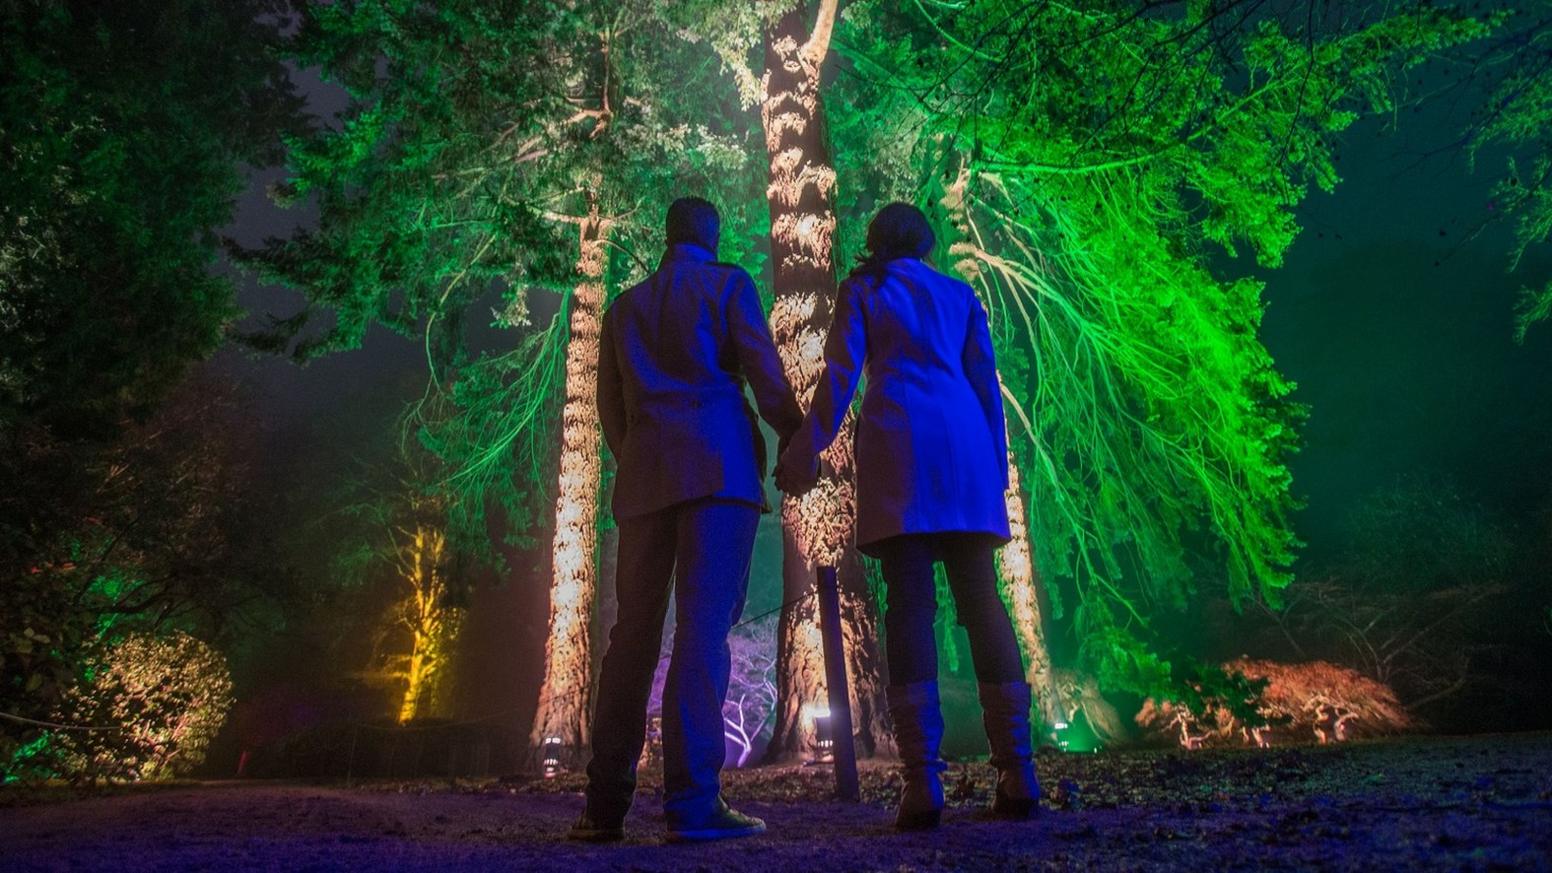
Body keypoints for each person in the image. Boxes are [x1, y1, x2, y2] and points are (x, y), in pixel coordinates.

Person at [774, 203, 1039, 830]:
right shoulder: (958, 294)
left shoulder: (865, 288)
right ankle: (1018, 769)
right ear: (925, 242)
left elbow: (840, 378)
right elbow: (985, 387)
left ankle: (922, 782)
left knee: (910, 609)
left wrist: (805, 448)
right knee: (983, 606)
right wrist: (994, 473)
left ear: (875, 242)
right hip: (966, 452)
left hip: (901, 452)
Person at [571, 197, 803, 844]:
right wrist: (796, 434)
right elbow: (762, 370)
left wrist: (639, 456)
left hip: (646, 478)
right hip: (717, 470)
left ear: (667, 237)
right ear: (712, 236)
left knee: (632, 637)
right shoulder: (728, 284)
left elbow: (608, 405)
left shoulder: (624, 307)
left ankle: (604, 805)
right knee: (703, 631)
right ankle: (692, 801)